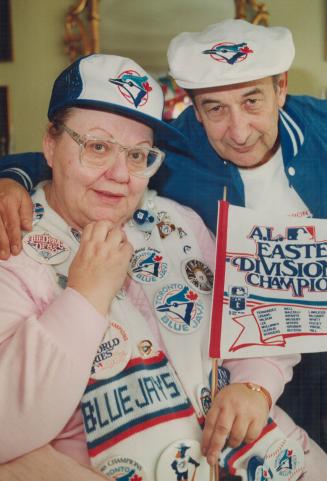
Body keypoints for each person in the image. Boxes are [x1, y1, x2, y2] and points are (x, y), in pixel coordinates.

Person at [0, 19, 325, 453]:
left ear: (281, 88)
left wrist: (258, 383)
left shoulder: (321, 128)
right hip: (273, 354)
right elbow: (78, 159)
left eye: (252, 101)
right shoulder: (174, 152)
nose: (239, 131)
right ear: (193, 109)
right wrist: (11, 177)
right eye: (214, 109)